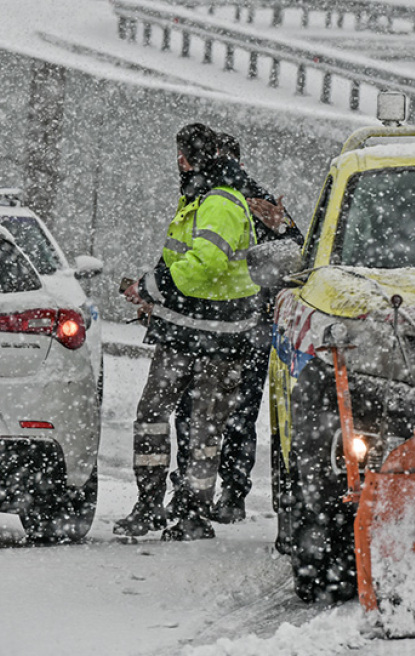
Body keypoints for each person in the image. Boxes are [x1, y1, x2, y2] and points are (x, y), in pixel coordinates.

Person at [114, 123, 260, 541]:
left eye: (181, 156)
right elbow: (192, 268)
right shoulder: (201, 200)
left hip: (212, 340)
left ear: (186, 158)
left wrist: (150, 287)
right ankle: (154, 506)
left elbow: (205, 267)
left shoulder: (219, 203)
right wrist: (156, 296)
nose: (178, 163)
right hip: (187, 335)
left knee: (200, 429)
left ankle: (190, 515)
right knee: (164, 421)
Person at [170, 132, 303, 524]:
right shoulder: (204, 197)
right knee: (196, 410)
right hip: (207, 322)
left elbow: (297, 252)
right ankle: (193, 490)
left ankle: (229, 490)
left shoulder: (253, 199)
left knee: (236, 412)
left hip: (252, 324)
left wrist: (280, 228)